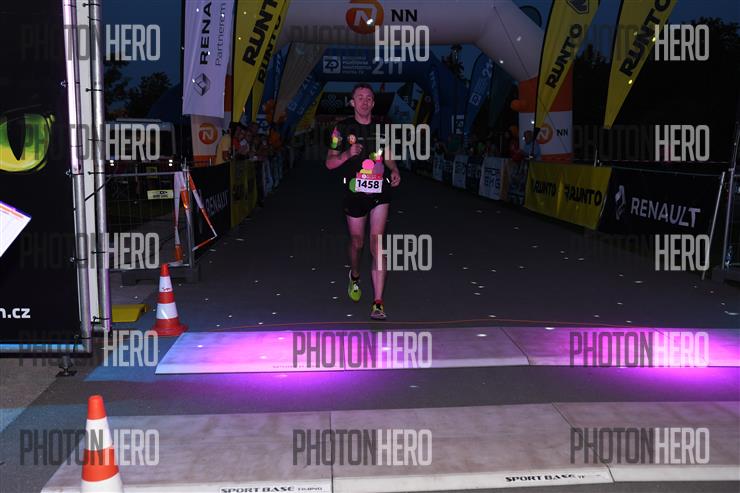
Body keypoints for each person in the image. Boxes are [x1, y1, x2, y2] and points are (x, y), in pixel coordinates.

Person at [325, 83, 401, 320]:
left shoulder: (382, 128)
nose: (365, 101)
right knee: (357, 243)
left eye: (369, 98)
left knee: (377, 243)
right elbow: (329, 163)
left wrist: (394, 169)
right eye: (360, 97)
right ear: (352, 102)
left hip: (380, 191)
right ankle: (355, 274)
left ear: (373, 103)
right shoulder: (340, 129)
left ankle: (378, 303)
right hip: (355, 193)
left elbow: (388, 155)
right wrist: (347, 154)